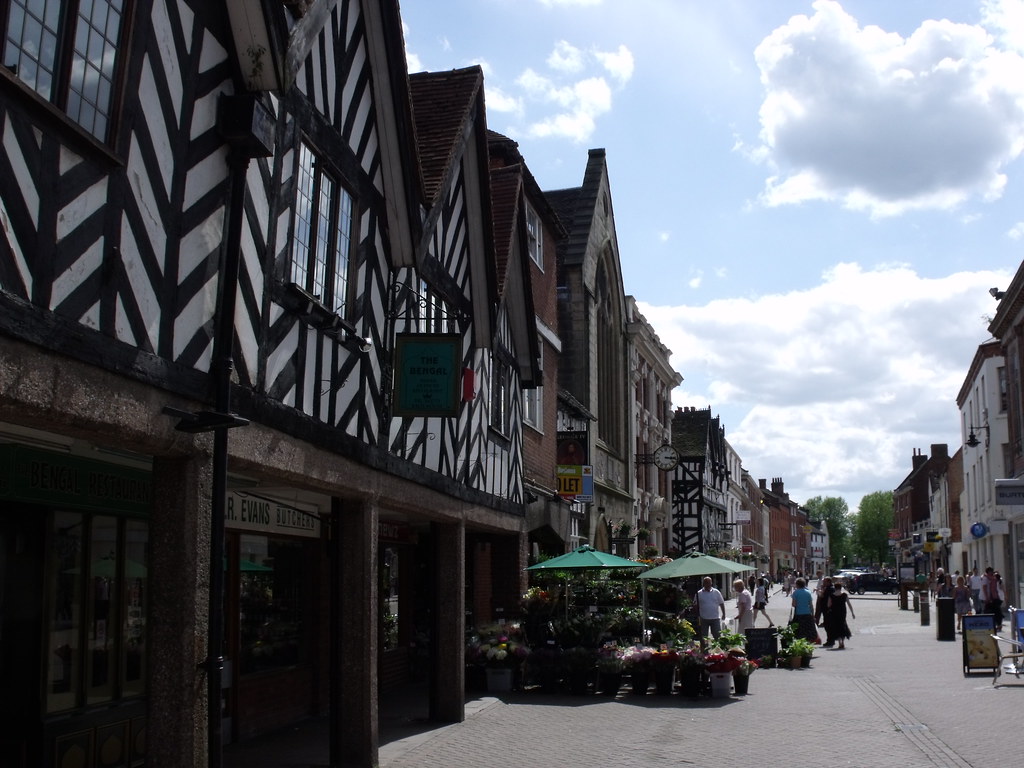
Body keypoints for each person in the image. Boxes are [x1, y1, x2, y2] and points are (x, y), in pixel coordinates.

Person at [824, 579, 855, 649]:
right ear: (841, 588)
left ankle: (840, 642)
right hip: (842, 612)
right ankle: (843, 642)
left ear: (835, 588)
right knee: (842, 625)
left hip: (834, 612)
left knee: (836, 626)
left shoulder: (831, 595)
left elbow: (828, 605)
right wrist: (852, 613)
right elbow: (849, 604)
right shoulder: (844, 595)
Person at [695, 576, 726, 641]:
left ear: (711, 583)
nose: (708, 584)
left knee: (717, 635)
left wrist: (724, 613)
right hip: (703, 618)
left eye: (709, 582)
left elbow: (721, 603)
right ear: (703, 583)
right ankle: (705, 649)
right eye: (706, 582)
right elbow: (695, 605)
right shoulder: (699, 593)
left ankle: (718, 649)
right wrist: (697, 615)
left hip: (715, 618)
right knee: (704, 636)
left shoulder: (716, 592)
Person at [789, 577, 818, 643]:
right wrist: (813, 614)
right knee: (808, 631)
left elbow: (793, 604)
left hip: (798, 614)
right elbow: (811, 605)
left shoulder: (795, 593)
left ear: (797, 584)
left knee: (800, 631)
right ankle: (808, 644)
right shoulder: (808, 592)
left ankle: (801, 644)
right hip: (807, 613)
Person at [815, 577, 835, 646]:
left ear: (828, 582)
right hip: (825, 609)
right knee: (827, 625)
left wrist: (820, 590)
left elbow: (822, 596)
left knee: (828, 625)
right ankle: (830, 639)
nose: (823, 583)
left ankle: (831, 640)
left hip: (828, 609)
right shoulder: (827, 588)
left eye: (824, 581)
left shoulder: (830, 589)